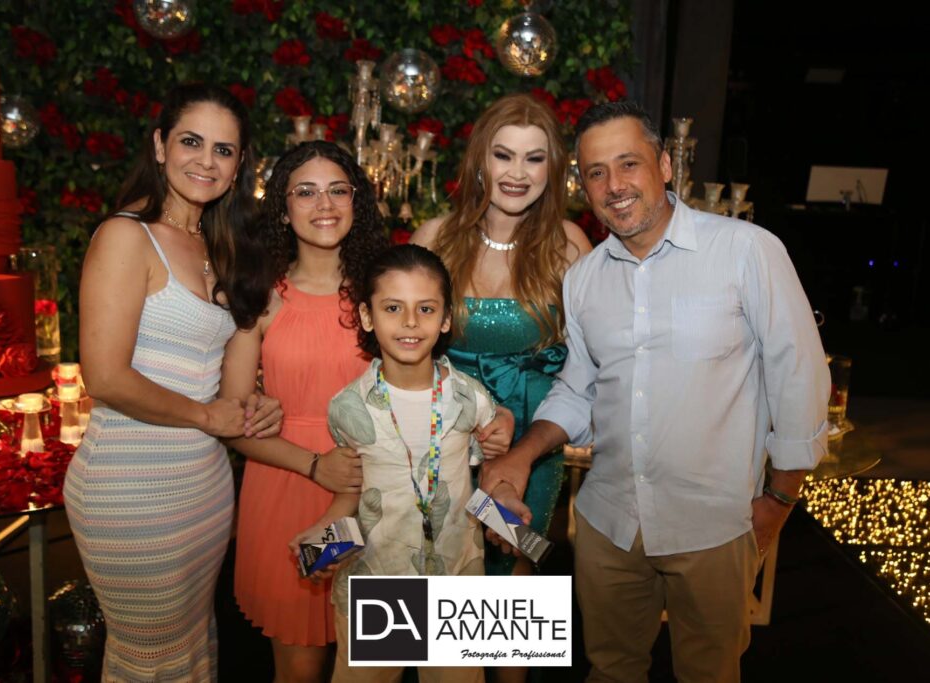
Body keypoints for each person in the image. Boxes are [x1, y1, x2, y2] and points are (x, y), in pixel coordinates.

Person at [482, 100, 831, 683]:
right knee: (610, 670)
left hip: (714, 524)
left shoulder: (746, 251)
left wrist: (780, 498)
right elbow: (578, 386)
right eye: (597, 172)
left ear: (665, 165)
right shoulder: (584, 278)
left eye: (629, 164)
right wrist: (523, 453)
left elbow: (799, 374)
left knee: (709, 674)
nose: (614, 186)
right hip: (608, 523)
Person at [64, 83, 283, 680]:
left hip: (203, 485)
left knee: (191, 645)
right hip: (130, 485)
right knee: (150, 657)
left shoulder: (221, 246)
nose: (206, 161)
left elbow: (224, 384)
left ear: (239, 166)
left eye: (223, 150)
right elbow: (105, 376)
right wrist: (208, 416)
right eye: (191, 142)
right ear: (160, 146)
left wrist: (255, 406)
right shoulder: (125, 236)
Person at [289, 243, 518, 683]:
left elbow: (483, 475)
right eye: (393, 308)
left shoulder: (471, 398)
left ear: (445, 318)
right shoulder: (348, 407)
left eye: (426, 309)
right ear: (367, 316)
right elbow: (353, 492)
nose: (410, 322)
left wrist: (507, 511)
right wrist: (323, 535)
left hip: (456, 582)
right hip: (378, 579)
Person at [218, 140, 388, 683]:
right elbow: (232, 421)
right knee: (299, 667)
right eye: (306, 192)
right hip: (286, 488)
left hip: (376, 493)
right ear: (283, 208)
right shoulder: (261, 296)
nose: (325, 205)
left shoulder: (385, 292)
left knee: (376, 660)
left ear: (357, 201)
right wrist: (316, 465)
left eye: (338, 190)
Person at [411, 93, 592, 584]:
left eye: (534, 158)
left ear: (552, 169)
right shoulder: (434, 239)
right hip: (442, 440)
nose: (517, 173)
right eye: (503, 155)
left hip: (529, 449)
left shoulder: (569, 246)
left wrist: (522, 436)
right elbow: (402, 352)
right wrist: (471, 417)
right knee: (434, 584)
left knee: (511, 586)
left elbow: (588, 364)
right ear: (480, 160)